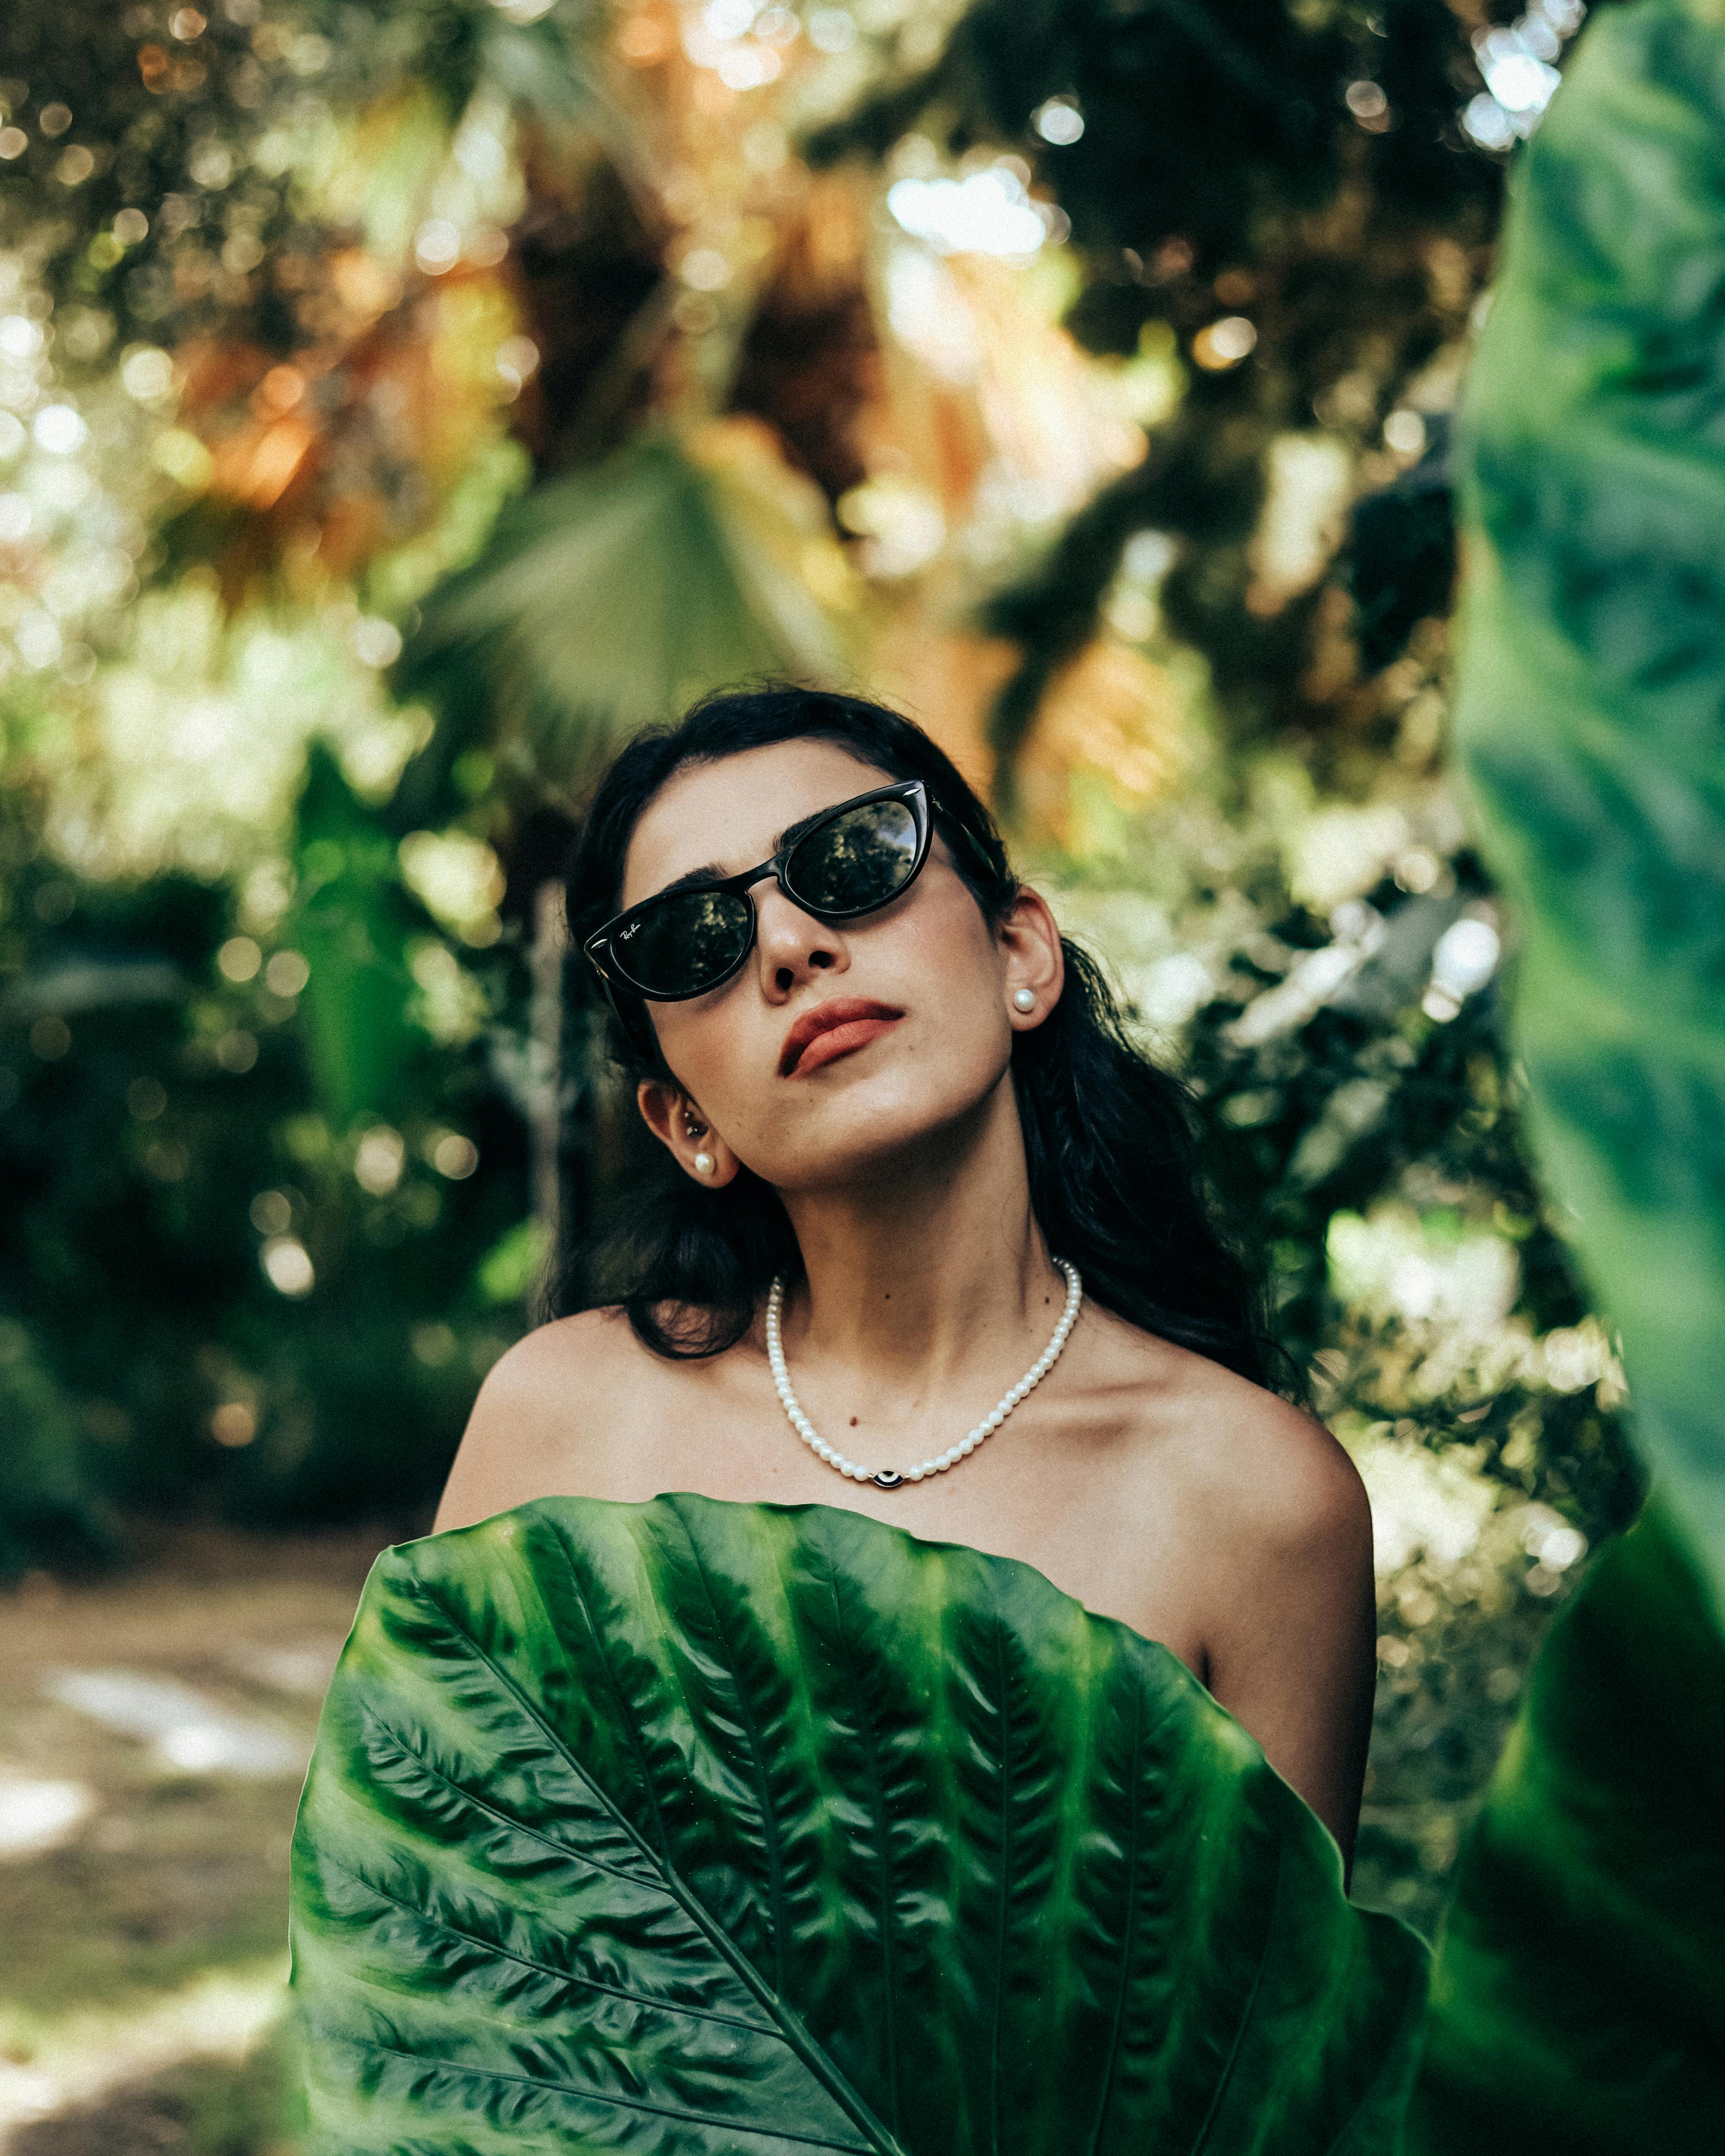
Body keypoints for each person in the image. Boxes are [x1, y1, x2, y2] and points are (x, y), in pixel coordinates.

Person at [434, 685, 1376, 1874]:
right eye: (694, 942)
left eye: (852, 860)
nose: (789, 946)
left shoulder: (1254, 1500)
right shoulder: (561, 1423)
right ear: (684, 1125)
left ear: (1021, 951)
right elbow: (434, 1961)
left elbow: (1263, 2038)